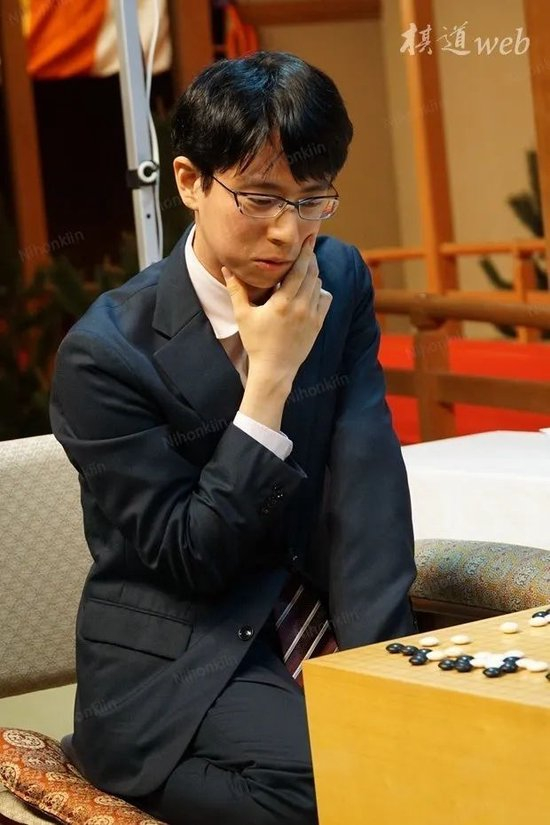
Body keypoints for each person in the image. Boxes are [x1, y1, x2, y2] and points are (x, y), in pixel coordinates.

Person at [50, 50, 417, 825]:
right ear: (189, 181)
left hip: (307, 623)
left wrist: (387, 674)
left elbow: (367, 488)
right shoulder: (105, 355)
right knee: (341, 783)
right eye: (261, 198)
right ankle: (125, 767)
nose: (289, 231)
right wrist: (270, 381)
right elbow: (193, 553)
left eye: (313, 200)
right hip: (182, 656)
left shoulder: (338, 278)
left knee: (426, 749)